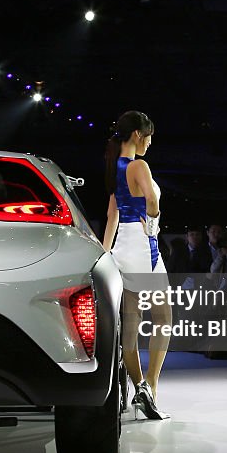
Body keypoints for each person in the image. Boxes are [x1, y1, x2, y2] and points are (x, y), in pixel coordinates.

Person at [102, 110, 170, 420]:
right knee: (163, 318)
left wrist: (104, 255)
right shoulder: (138, 165)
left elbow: (111, 216)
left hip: (121, 250)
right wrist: (152, 228)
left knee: (129, 325)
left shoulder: (114, 168)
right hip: (144, 247)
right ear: (138, 135)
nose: (151, 142)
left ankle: (139, 384)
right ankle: (150, 388)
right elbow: (152, 204)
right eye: (150, 136)